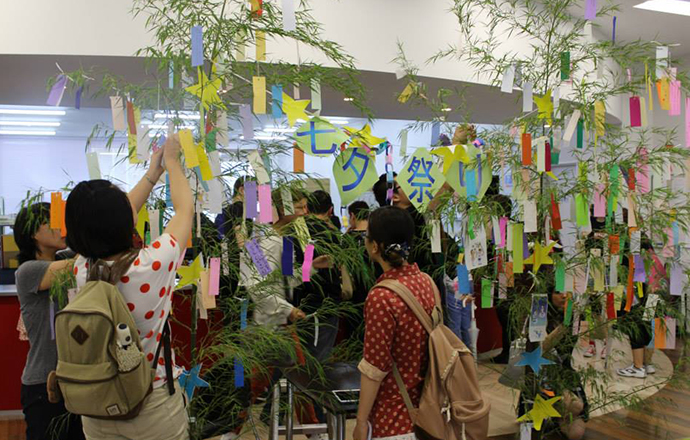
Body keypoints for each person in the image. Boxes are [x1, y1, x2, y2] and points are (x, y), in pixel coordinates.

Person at [66, 135, 193, 440]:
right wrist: (172, 163)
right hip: (152, 403)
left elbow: (108, 221)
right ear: (124, 220)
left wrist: (153, 173)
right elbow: (185, 210)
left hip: (97, 404)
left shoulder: (82, 268)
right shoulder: (153, 264)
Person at [354, 206, 437, 440]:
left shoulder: (382, 296)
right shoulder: (427, 282)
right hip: (429, 411)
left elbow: (375, 367)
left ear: (375, 246)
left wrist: (361, 422)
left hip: (393, 418)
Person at [14, 203, 85, 440]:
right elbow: (80, 263)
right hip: (44, 383)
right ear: (34, 233)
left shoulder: (65, 258)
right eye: (53, 222)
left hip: (76, 381)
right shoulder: (28, 271)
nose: (61, 228)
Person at [293, 190, 342, 362]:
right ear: (330, 210)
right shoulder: (334, 235)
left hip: (299, 302)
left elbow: (286, 272)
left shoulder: (292, 233)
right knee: (320, 357)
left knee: (300, 357)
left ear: (306, 208)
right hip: (328, 301)